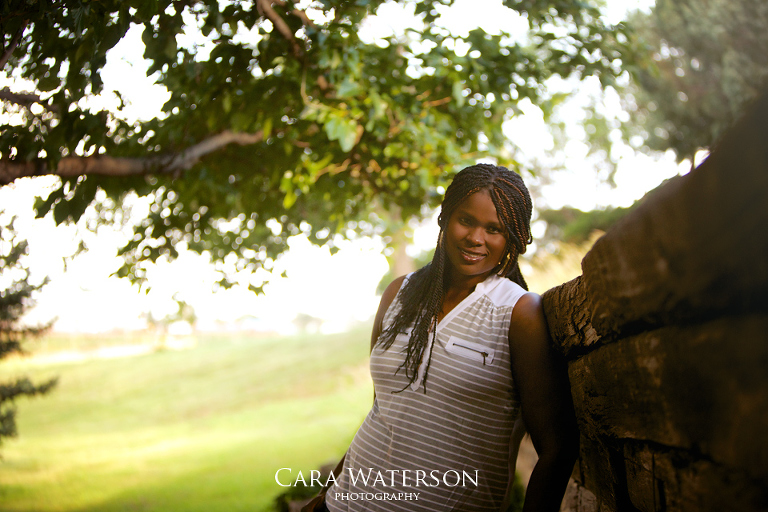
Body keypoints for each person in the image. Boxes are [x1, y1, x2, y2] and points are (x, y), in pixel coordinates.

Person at [303, 163, 578, 512]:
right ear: (445, 219)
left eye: (494, 228)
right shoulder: (398, 294)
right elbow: (384, 410)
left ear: (514, 237)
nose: (475, 238)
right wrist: (327, 494)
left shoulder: (518, 313)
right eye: (466, 220)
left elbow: (557, 447)